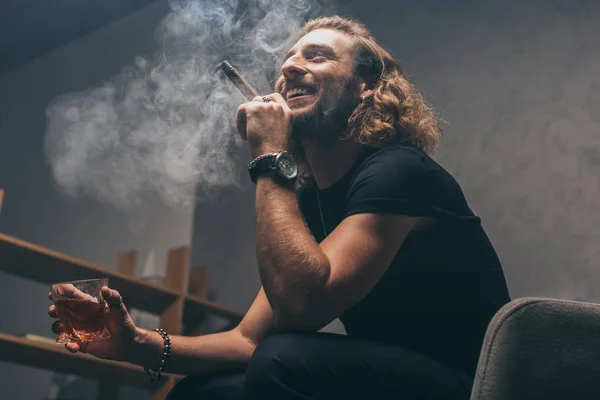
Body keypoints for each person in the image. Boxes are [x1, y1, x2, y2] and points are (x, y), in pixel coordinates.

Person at [48, 15, 511, 399]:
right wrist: (137, 344)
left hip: (472, 385)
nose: (290, 67)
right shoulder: (305, 200)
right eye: (288, 58)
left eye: (317, 56)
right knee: (204, 393)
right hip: (388, 378)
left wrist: (270, 156)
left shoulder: (399, 170)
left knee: (283, 359)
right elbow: (248, 338)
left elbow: (301, 307)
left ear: (366, 86)